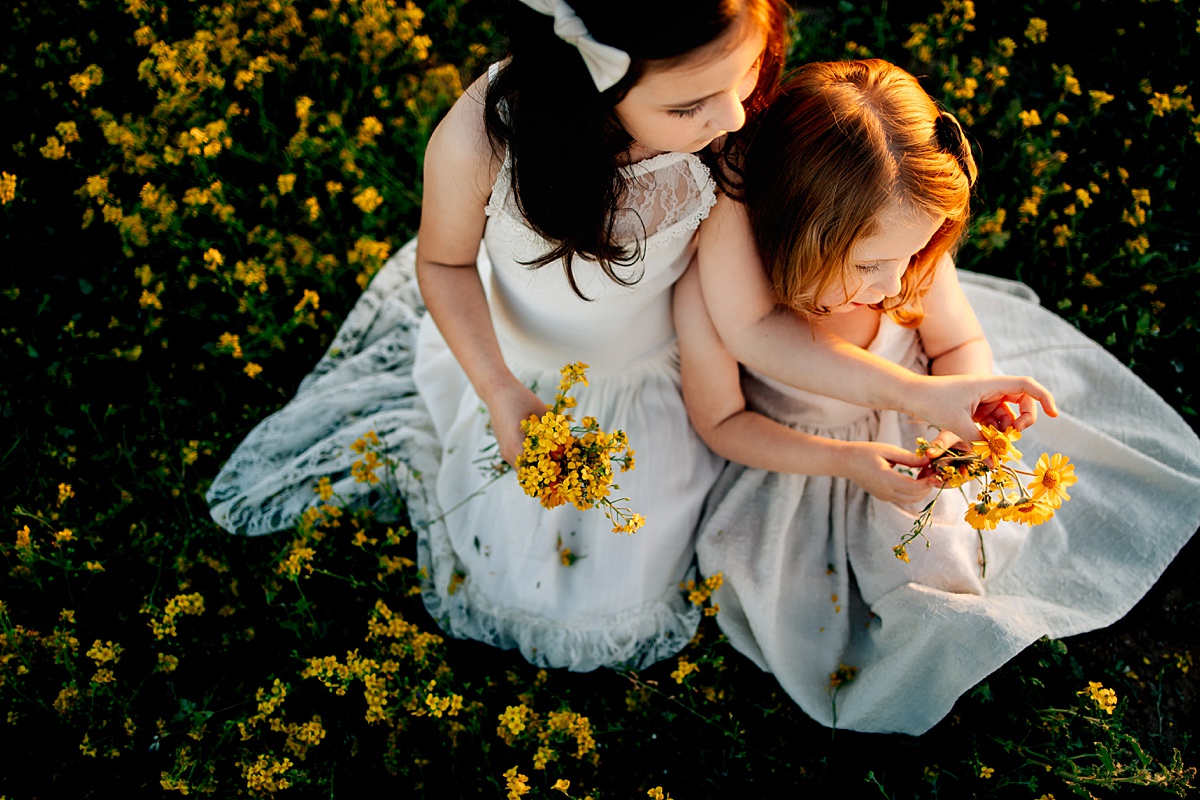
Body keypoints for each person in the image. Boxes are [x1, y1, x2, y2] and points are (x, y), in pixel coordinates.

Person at [206, 3, 1051, 673]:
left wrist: (915, 393)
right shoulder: (481, 142)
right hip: (521, 359)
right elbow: (445, 267)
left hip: (654, 374)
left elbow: (753, 327)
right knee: (530, 572)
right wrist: (500, 390)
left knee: (627, 565)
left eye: (749, 73)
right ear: (586, 87)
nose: (731, 117)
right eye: (689, 102)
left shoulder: (724, 150)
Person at [675, 59, 1200, 733]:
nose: (895, 286)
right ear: (790, 229)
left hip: (920, 426)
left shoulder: (909, 259)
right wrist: (843, 462)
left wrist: (965, 412)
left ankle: (966, 629)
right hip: (806, 459)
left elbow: (957, 346)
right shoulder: (714, 297)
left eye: (912, 256)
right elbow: (722, 422)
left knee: (943, 546)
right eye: (869, 265)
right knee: (827, 601)